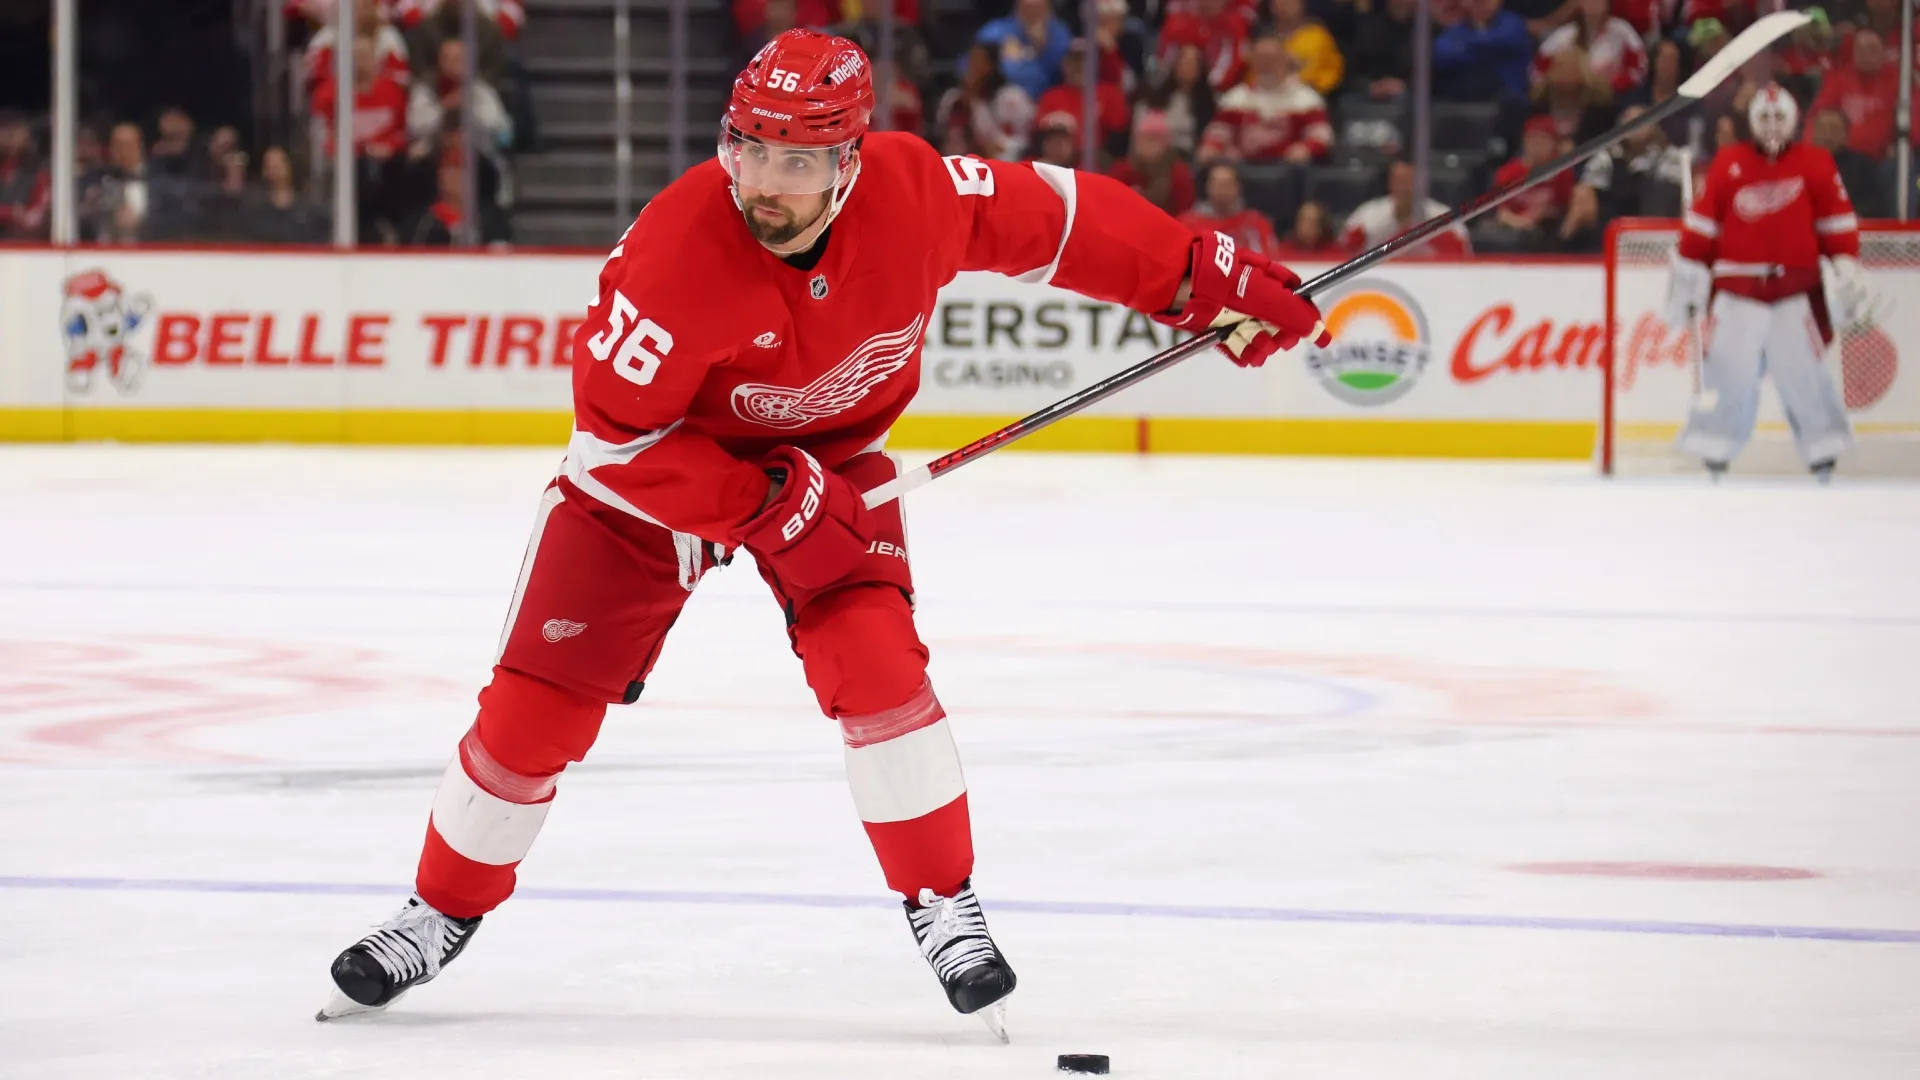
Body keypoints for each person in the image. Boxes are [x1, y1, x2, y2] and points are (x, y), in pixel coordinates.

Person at [318, 28, 1328, 1033]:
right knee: (535, 713)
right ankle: (438, 910)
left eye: (796, 161)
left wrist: (1198, 273)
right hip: (654, 485)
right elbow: (612, 447)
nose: (764, 182)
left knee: (881, 673)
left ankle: (943, 901)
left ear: (849, 163)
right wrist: (763, 505)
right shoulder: (676, 256)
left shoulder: (917, 193)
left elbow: (1059, 221)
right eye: (749, 149)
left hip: (836, 468)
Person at [1664, 84, 1868, 482]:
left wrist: (1844, 262)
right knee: (1727, 372)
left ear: (1793, 120)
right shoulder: (1729, 162)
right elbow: (1703, 226)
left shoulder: (1816, 162)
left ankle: (1823, 449)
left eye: (1779, 117)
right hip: (1737, 292)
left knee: (1804, 374)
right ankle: (1713, 449)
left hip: (1796, 291)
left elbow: (1837, 223)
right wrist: (1688, 269)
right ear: (1752, 122)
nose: (1772, 125)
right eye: (1765, 118)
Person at [1199, 36, 1333, 164]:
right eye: (1261, 58)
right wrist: (1211, 147)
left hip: (1289, 171)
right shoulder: (1235, 98)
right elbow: (1217, 134)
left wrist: (1306, 149)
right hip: (1243, 170)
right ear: (1252, 61)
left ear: (1285, 59)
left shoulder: (1307, 99)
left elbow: (1322, 137)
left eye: (1271, 58)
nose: (1266, 64)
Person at [1472, 115, 1572, 251]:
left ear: (1554, 144)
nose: (1537, 146)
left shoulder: (1562, 173)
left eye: (1543, 140)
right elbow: (1500, 212)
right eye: (1533, 140)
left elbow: (1564, 207)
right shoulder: (1508, 173)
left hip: (1548, 231)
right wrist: (1522, 222)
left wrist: (1543, 215)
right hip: (1512, 230)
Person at [1342, 157, 1470, 255]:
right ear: (1390, 183)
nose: (1404, 188)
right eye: (1399, 181)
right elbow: (1342, 253)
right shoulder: (1367, 215)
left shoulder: (1444, 218)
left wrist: (1421, 229)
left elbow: (1464, 257)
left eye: (1409, 181)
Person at [1810, 28, 1904, 160]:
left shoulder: (1897, 80)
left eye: (1872, 49)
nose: (1866, 54)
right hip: (1845, 155)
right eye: (1861, 50)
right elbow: (1818, 115)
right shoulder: (1840, 80)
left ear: (1883, 52)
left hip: (1882, 157)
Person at [936, 42, 1035, 161]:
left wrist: (1002, 145)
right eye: (970, 61)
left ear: (992, 65)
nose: (972, 67)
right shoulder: (952, 98)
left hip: (1005, 160)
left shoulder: (1013, 97)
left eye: (978, 61)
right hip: (960, 160)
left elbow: (1026, 137)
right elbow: (942, 135)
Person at [1531, 0, 1644, 95]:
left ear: (1607, 4)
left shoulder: (1621, 31)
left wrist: (1614, 84)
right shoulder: (1565, 35)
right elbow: (1537, 73)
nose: (1593, 5)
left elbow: (1638, 69)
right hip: (1572, 99)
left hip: (1614, 98)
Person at [1432, 0, 1533, 104]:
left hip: (1507, 100)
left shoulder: (1513, 23)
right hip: (1462, 99)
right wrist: (1484, 51)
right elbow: (1440, 54)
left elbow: (1506, 40)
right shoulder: (1457, 28)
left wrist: (1463, 46)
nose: (1480, 2)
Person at [973, 0, 1073, 102]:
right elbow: (969, 70)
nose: (1032, 12)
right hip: (999, 102)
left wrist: (1042, 46)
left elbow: (1064, 74)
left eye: (1037, 9)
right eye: (1028, 8)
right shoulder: (994, 32)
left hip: (1046, 102)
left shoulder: (1059, 34)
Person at [1134, 43, 1216, 158]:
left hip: (1187, 158)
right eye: (1184, 62)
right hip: (1155, 153)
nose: (1187, 67)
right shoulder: (1156, 98)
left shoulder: (1207, 104)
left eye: (1192, 63)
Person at [1108, 109, 1196, 215]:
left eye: (1154, 139)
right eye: (1144, 138)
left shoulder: (1178, 173)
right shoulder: (1123, 170)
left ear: (1165, 144)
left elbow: (1185, 212)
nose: (1148, 145)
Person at [1181, 162, 1282, 253]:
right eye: (1217, 184)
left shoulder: (1256, 222)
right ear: (1207, 187)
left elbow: (1271, 258)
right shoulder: (1187, 223)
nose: (1222, 189)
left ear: (1238, 187)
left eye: (1227, 184)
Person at [1808, 107, 1888, 219]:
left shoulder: (1862, 167)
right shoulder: (1802, 165)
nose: (1827, 134)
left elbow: (1874, 207)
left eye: (1833, 129)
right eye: (1822, 129)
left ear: (1846, 135)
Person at [1157, 0, 1253, 91]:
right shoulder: (1177, 22)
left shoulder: (1234, 25)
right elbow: (1164, 61)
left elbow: (1233, 62)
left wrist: (1208, 87)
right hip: (1175, 88)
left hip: (1217, 91)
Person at [1260, 0, 1344, 96]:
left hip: (1311, 97)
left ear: (1301, 5)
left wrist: (1313, 90)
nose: (1284, 7)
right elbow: (1253, 77)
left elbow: (1333, 70)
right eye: (1280, 3)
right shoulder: (1263, 40)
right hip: (1269, 98)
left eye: (1290, 3)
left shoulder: (1317, 35)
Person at [1347, 0, 1416, 101]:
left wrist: (1404, 84)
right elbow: (1350, 72)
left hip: (1410, 97)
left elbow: (1430, 75)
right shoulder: (1367, 27)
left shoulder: (1426, 30)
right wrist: (1370, 86)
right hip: (1365, 94)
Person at [0, 114, 50, 240]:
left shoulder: (37, 172)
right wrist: (11, 213)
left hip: (20, 240)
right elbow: (17, 213)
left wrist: (20, 216)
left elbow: (34, 217)